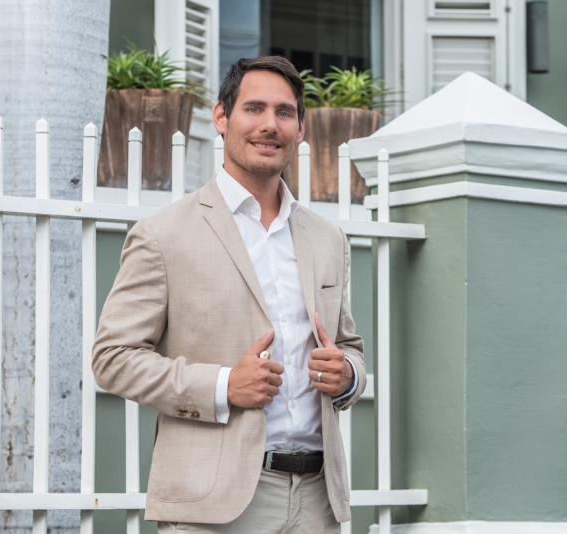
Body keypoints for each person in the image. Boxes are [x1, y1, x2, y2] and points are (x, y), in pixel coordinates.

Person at [92, 56, 366, 533]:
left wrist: (346, 376)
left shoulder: (327, 239)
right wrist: (223, 386)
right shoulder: (163, 234)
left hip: (319, 500)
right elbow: (112, 358)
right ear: (222, 118)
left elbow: (349, 348)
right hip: (213, 505)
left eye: (284, 113)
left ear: (300, 129)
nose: (269, 125)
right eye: (253, 108)